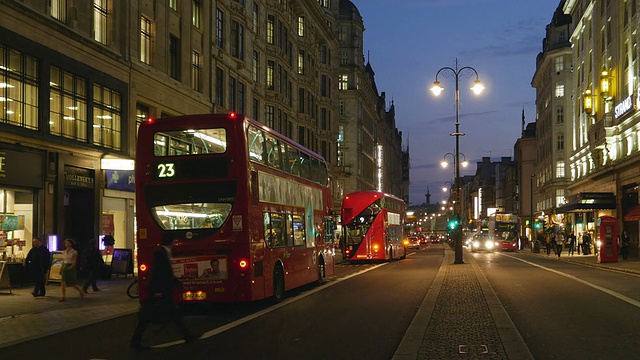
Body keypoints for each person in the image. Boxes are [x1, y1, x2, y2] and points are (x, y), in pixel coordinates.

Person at [131, 233, 198, 349]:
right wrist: (156, 290)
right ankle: (135, 341)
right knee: (148, 316)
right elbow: (158, 273)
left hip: (163, 290)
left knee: (172, 315)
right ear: (172, 242)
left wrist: (177, 283)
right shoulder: (161, 254)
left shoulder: (164, 252)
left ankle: (188, 336)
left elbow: (165, 274)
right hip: (161, 290)